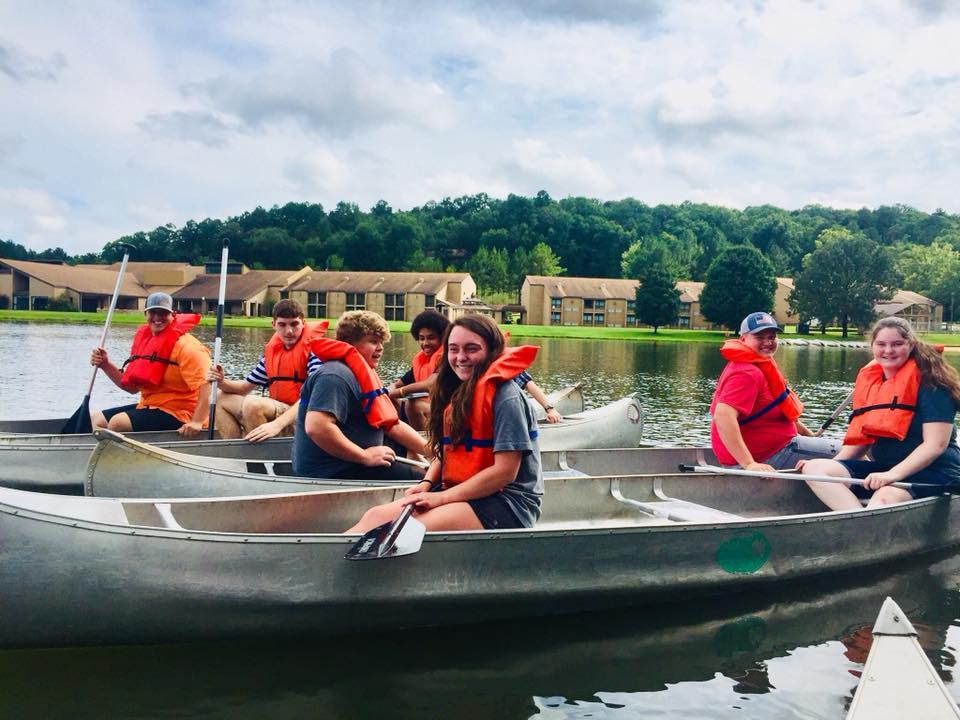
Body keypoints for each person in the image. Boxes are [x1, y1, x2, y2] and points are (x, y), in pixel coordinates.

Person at [346, 314, 543, 534]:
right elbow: (448, 452)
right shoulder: (457, 389)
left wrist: (440, 498)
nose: (460, 357)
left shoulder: (506, 397)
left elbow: (504, 473)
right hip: (460, 491)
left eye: (471, 349)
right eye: (454, 349)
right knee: (375, 516)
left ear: (491, 350)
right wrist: (427, 484)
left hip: (507, 503)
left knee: (404, 530)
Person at [800, 316, 960, 510]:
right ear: (872, 346)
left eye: (897, 344)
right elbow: (861, 442)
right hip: (885, 469)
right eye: (881, 344)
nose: (888, 351)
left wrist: (892, 475)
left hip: (936, 471)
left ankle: (862, 528)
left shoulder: (933, 384)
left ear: (911, 345)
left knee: (884, 496)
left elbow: (936, 445)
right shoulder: (875, 384)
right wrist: (828, 469)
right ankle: (857, 520)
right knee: (814, 468)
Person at [293, 310, 428, 481]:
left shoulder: (363, 374)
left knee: (422, 461)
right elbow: (317, 428)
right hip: (335, 470)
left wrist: (433, 450)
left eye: (381, 342)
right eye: (373, 341)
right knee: (427, 483)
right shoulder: (334, 376)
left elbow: (393, 426)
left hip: (356, 459)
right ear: (350, 343)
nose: (380, 348)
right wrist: (365, 456)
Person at [709, 311, 833, 471]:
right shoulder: (746, 373)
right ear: (743, 339)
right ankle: (868, 492)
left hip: (780, 448)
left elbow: (782, 413)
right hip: (767, 456)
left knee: (846, 452)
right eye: (760, 337)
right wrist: (749, 464)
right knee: (849, 454)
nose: (767, 342)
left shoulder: (761, 365)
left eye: (772, 337)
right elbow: (723, 416)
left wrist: (811, 438)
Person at [90, 292, 210, 437]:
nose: (157, 317)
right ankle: (105, 455)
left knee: (117, 423)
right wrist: (105, 364)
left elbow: (208, 385)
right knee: (96, 420)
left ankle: (122, 456)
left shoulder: (188, 347)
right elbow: (132, 389)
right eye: (153, 312)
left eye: (163, 313)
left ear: (173, 315)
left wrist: (197, 421)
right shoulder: (146, 343)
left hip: (181, 413)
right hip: (150, 406)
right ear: (145, 314)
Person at [206, 299, 327, 441]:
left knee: (253, 404)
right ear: (274, 325)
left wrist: (276, 425)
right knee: (217, 397)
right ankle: (236, 452)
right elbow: (244, 388)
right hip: (279, 412)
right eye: (282, 325)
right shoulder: (272, 354)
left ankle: (262, 458)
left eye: (294, 324)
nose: (289, 331)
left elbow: (311, 397)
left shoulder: (315, 353)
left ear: (303, 324)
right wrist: (221, 381)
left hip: (303, 417)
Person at [387, 309, 449, 430]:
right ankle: (406, 442)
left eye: (431, 338)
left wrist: (396, 393)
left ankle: (424, 445)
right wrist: (387, 391)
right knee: (389, 401)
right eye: (421, 338)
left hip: (448, 412)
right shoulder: (421, 360)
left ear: (443, 338)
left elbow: (429, 385)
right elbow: (398, 384)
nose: (425, 343)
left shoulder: (447, 357)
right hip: (430, 411)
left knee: (413, 405)